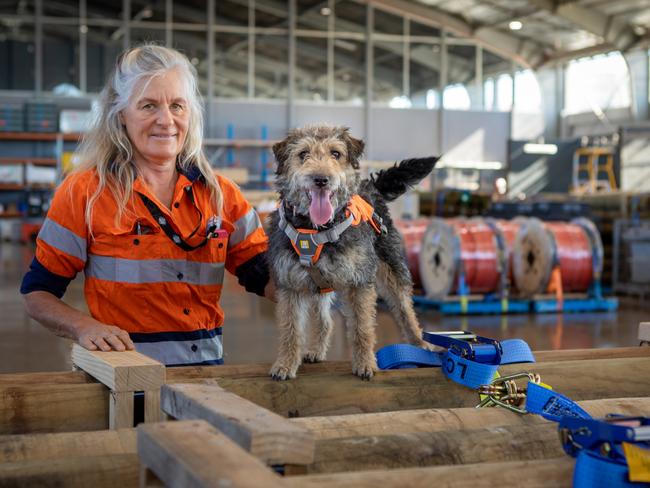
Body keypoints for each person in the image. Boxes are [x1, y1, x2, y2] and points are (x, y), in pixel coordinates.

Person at [21, 45, 272, 366]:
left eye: (177, 106)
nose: (165, 120)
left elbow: (267, 277)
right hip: (125, 379)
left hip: (205, 378)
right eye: (149, 105)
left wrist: (326, 270)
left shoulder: (221, 195)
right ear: (121, 115)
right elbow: (37, 295)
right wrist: (84, 327)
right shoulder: (85, 193)